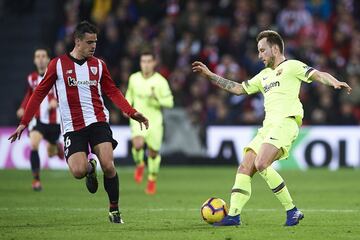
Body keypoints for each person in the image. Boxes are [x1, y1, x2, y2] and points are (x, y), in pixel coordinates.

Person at [192, 30, 352, 226]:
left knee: (261, 164)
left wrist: (333, 81)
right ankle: (233, 215)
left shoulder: (291, 66)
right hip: (267, 127)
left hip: (286, 122)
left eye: (262, 50)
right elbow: (239, 89)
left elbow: (317, 74)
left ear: (275, 49)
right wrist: (210, 75)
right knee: (245, 166)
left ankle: (292, 211)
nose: (259, 55)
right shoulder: (263, 75)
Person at [8, 21, 149, 224]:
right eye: (90, 42)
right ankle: (90, 168)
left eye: (95, 42)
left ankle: (114, 210)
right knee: (78, 171)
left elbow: (112, 91)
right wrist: (24, 121)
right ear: (77, 41)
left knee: (109, 165)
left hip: (98, 120)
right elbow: (39, 92)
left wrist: (131, 112)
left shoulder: (99, 65)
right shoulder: (57, 64)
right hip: (73, 127)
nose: (93, 46)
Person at [125, 51, 174, 195]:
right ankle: (140, 164)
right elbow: (129, 95)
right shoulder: (134, 78)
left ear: (154, 63)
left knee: (153, 153)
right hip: (138, 118)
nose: (145, 64)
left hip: (155, 121)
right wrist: (126, 107)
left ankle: (152, 178)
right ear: (140, 63)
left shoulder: (161, 81)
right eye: (143, 61)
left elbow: (170, 102)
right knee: (138, 144)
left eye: (148, 61)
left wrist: (157, 98)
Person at [17, 47, 63, 191]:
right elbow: (30, 94)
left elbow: (65, 93)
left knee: (51, 153)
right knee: (34, 144)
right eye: (38, 56)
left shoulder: (56, 76)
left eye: (43, 56)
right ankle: (36, 180)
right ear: (34, 60)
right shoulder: (32, 78)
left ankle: (56, 145)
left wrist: (57, 100)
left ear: (48, 59)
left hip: (54, 122)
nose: (41, 59)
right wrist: (23, 107)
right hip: (38, 120)